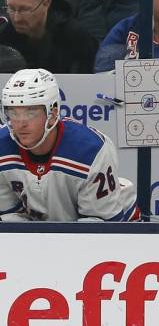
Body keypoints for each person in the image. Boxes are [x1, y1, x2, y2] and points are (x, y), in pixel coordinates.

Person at [0, 68, 139, 221]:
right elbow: (9, 220)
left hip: (116, 230)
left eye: (30, 113)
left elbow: (102, 227)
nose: (20, 123)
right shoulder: (2, 147)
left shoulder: (91, 150)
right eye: (13, 113)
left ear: (52, 114)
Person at [0, 0, 96, 72]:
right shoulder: (4, 35)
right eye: (11, 8)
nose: (16, 18)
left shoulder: (75, 37)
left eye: (25, 10)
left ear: (46, 4)